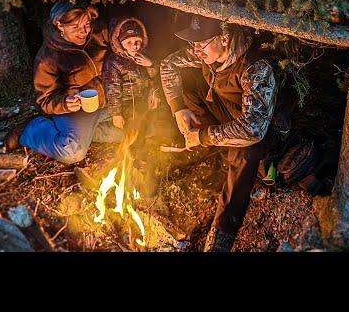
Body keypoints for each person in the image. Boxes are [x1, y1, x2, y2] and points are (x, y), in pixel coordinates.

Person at [160, 15, 287, 252]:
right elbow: (168, 65)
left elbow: (253, 128)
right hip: (230, 114)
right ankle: (214, 147)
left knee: (244, 154)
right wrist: (178, 108)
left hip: (265, 132)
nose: (195, 49)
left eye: (201, 43)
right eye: (193, 44)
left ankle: (222, 233)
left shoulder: (254, 67)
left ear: (225, 39)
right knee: (189, 84)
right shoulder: (208, 54)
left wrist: (205, 135)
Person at [4, 0, 121, 163]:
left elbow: (120, 31)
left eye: (86, 24)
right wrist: (66, 102)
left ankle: (84, 133)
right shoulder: (48, 57)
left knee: (130, 132)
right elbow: (45, 98)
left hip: (109, 103)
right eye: (75, 27)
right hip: (77, 110)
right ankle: (31, 129)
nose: (84, 32)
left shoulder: (98, 33)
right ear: (60, 25)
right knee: (72, 152)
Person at [102, 16, 161, 132]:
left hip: (144, 97)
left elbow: (156, 77)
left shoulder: (145, 56)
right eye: (129, 42)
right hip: (127, 102)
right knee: (134, 126)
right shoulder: (114, 62)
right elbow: (113, 89)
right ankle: (135, 148)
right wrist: (116, 113)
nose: (135, 46)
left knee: (156, 119)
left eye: (137, 41)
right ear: (119, 43)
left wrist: (150, 65)